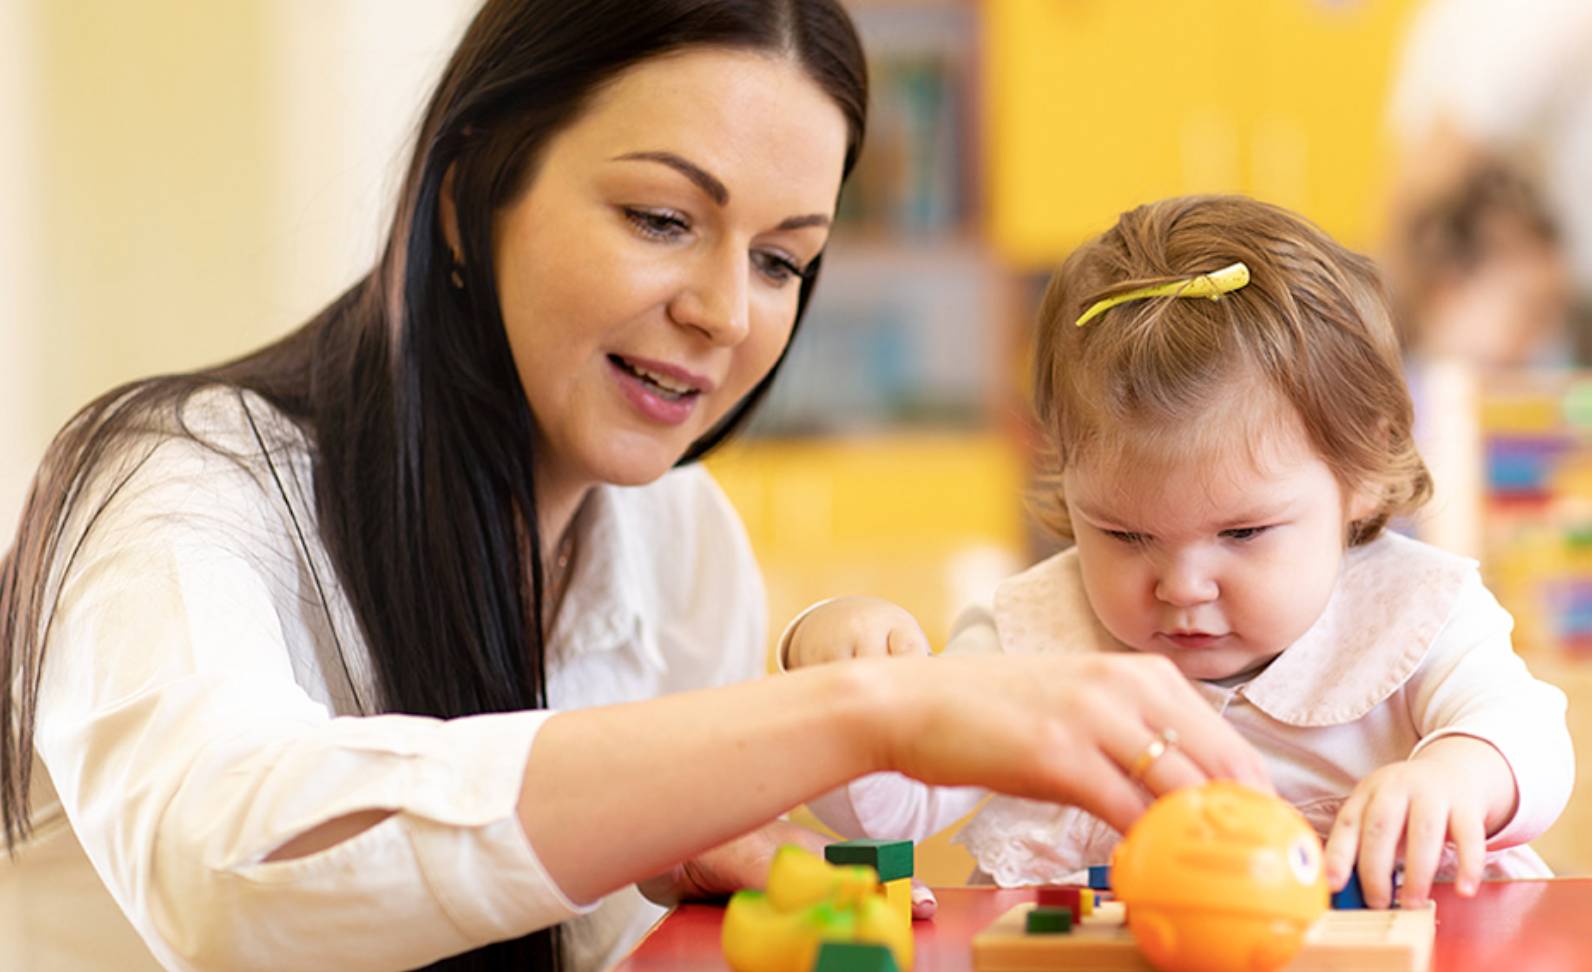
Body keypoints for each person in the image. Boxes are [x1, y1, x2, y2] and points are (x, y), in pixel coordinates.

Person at [0, 3, 1272, 970]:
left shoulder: (675, 541)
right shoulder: (179, 485)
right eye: (662, 219)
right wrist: (863, 712)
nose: (725, 312)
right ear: (468, 196)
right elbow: (224, 876)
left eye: (780, 260)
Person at [783, 195, 1576, 913]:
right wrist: (841, 680)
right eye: (1126, 535)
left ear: (1362, 473)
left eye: (1242, 534)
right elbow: (889, 810)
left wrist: (1459, 774)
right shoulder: (1034, 637)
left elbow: (1530, 738)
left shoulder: (1416, 615)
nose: (1183, 587)